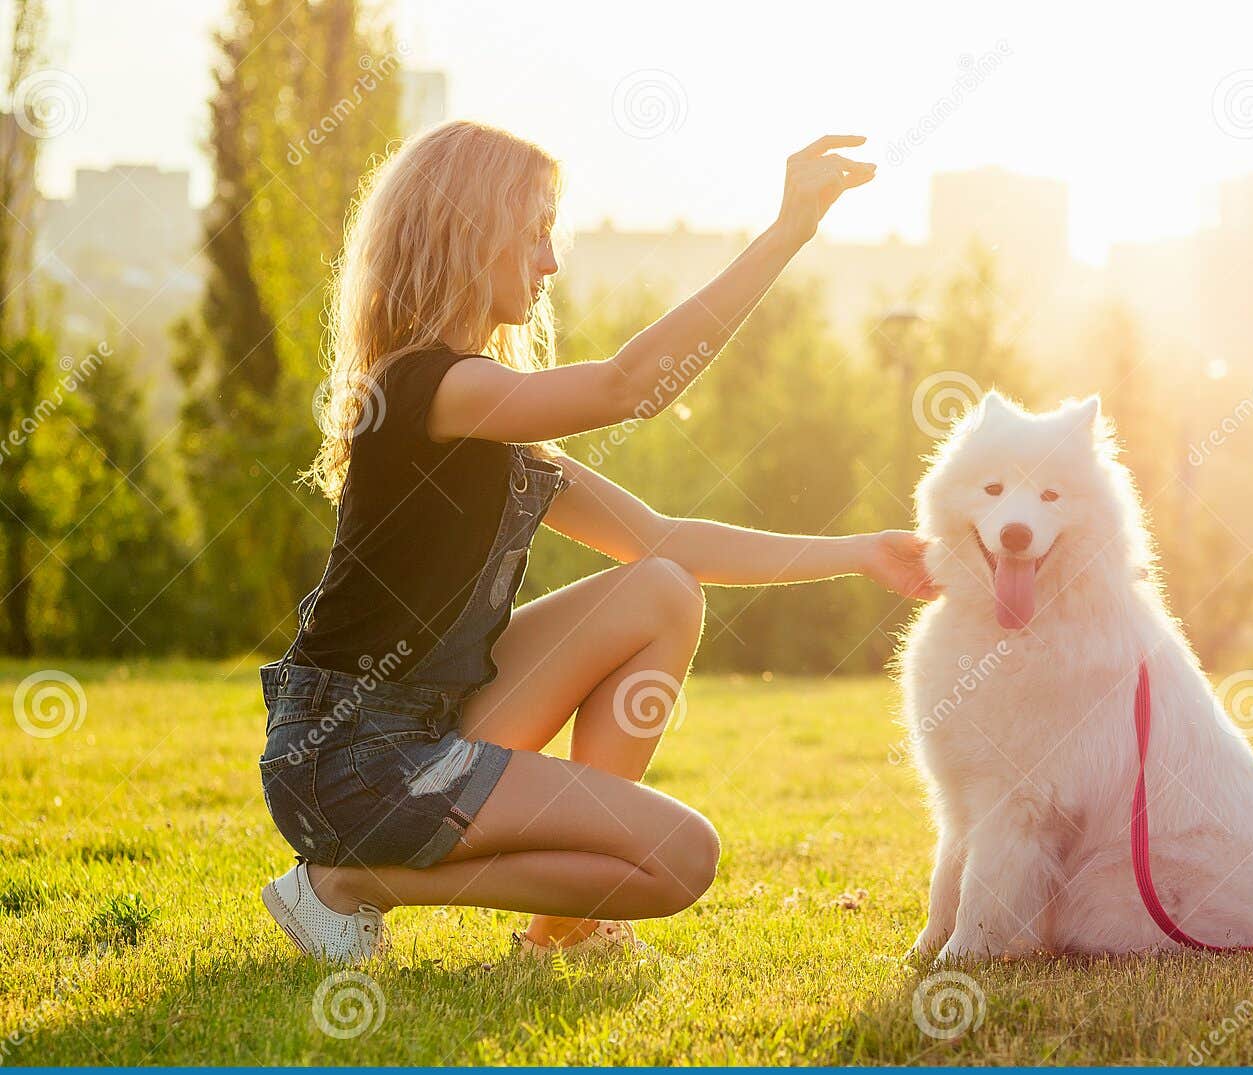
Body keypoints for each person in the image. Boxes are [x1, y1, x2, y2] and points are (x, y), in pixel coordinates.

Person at [258, 120, 936, 963]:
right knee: (681, 860)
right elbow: (629, 386)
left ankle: (560, 933)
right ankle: (348, 883)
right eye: (534, 233)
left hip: (418, 727)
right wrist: (788, 231)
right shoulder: (430, 386)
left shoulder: (488, 420)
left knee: (661, 586)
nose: (550, 262)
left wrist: (860, 552)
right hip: (349, 759)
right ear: (469, 234)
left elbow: (665, 541)